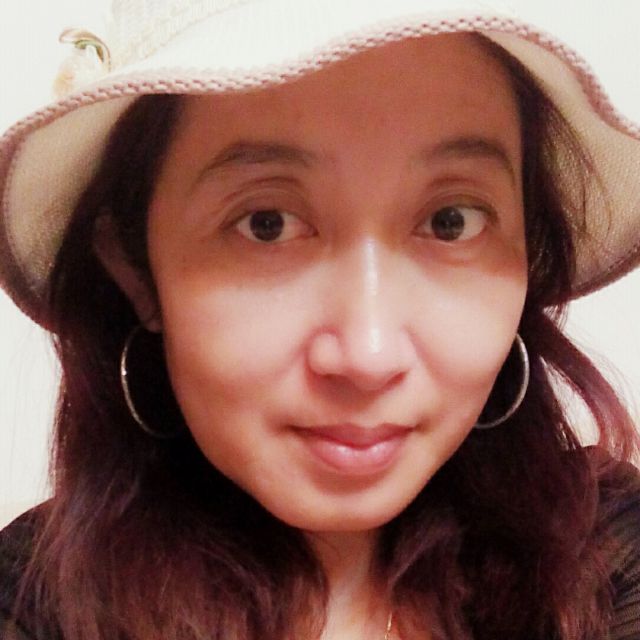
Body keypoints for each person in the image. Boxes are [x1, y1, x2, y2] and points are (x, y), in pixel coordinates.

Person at [1, 1, 640, 638]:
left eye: (451, 221)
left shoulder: (606, 561)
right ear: (136, 270)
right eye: (267, 225)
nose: (368, 355)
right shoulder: (38, 605)